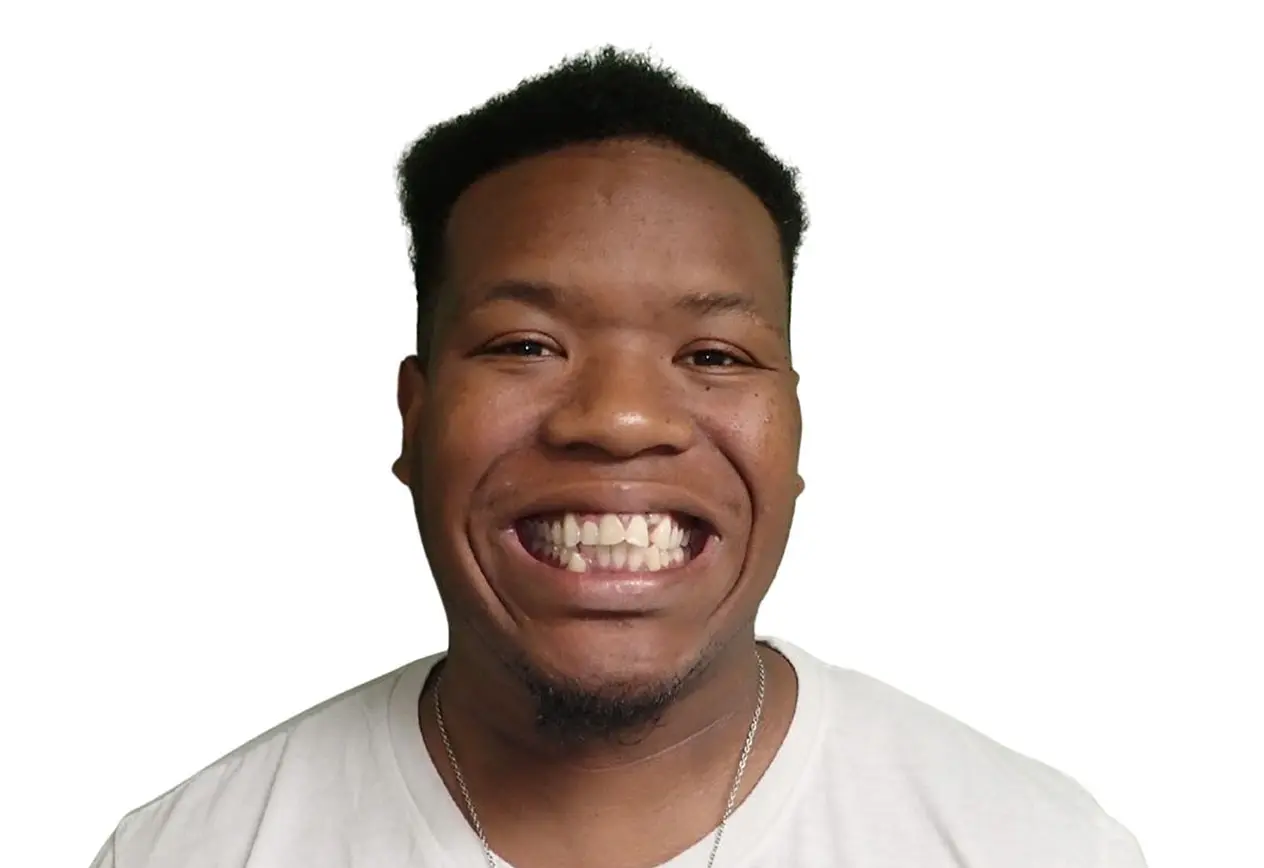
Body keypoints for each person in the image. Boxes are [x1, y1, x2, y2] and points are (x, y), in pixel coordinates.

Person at [89, 47, 1146, 868]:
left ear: (793, 435)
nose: (622, 419)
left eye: (715, 353)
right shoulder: (194, 846)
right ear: (413, 420)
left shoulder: (1032, 842)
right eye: (525, 345)